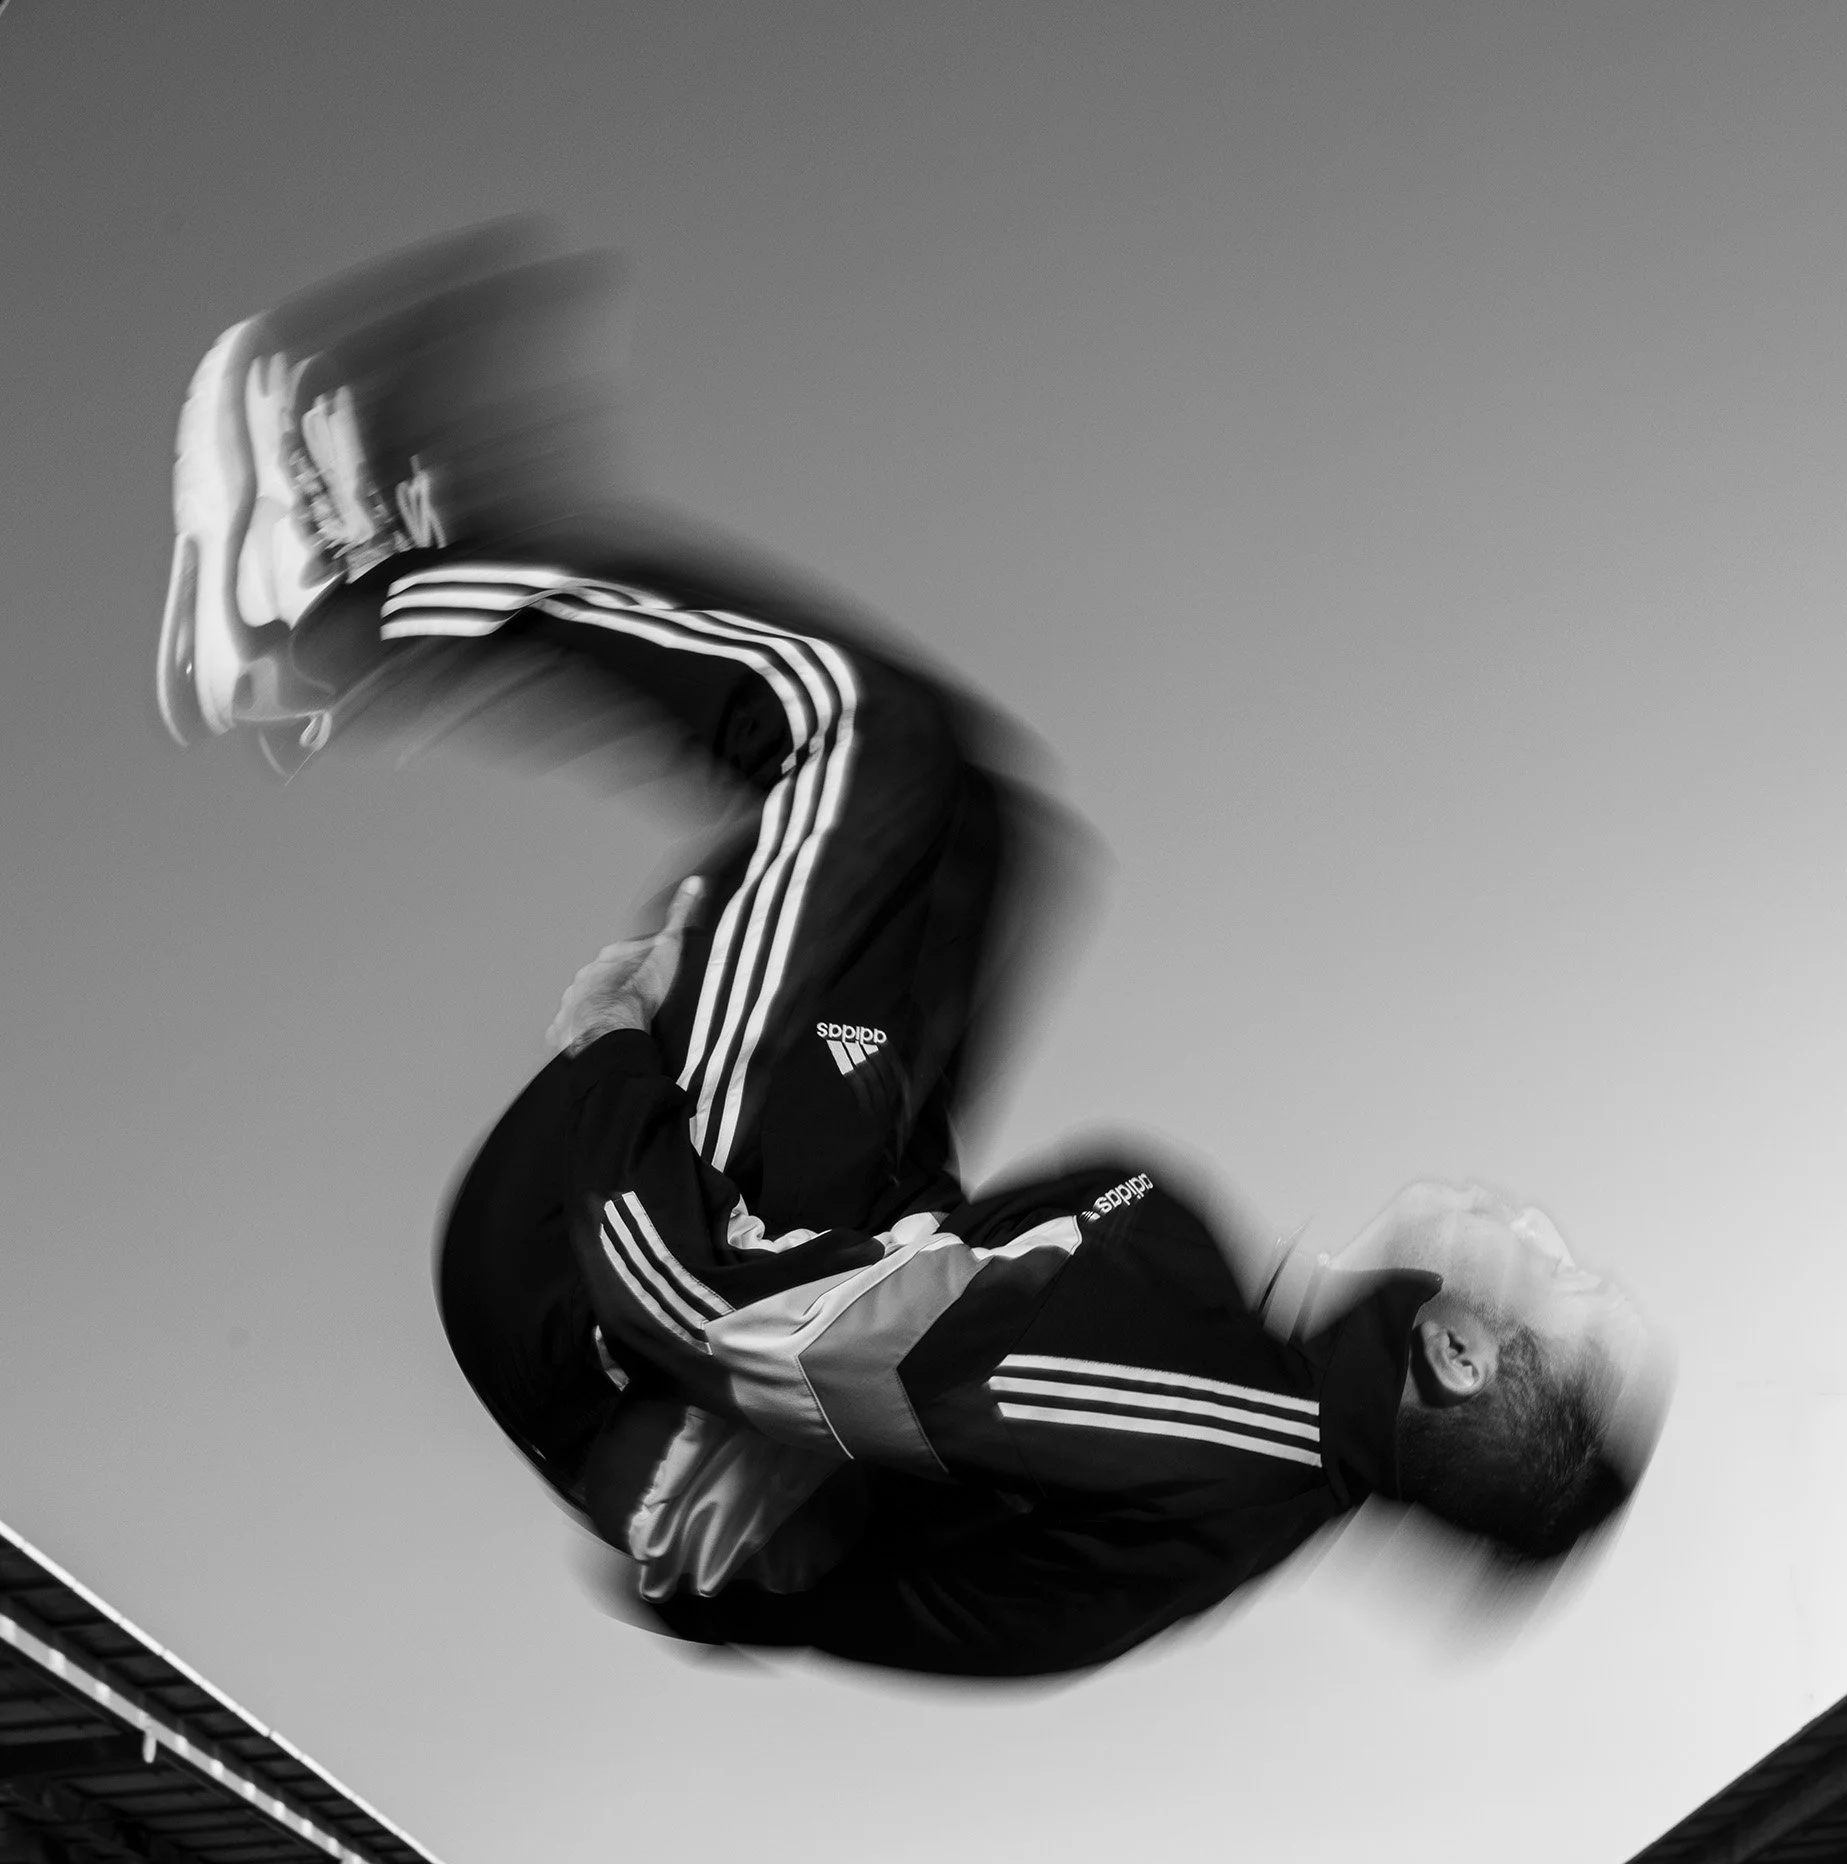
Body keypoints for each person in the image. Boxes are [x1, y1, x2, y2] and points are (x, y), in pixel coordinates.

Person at [155, 232, 1666, 1680]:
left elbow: (728, 1326)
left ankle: (330, 596)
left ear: (1462, 1358)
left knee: (860, 739)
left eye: (1540, 1303)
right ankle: (407, 591)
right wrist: (779, 1529)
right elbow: (872, 1549)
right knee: (976, 833)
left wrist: (620, 1052)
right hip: (755, 1256)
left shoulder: (1197, 1400)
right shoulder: (1223, 1418)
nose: (1520, 1255)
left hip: (621, 1278)